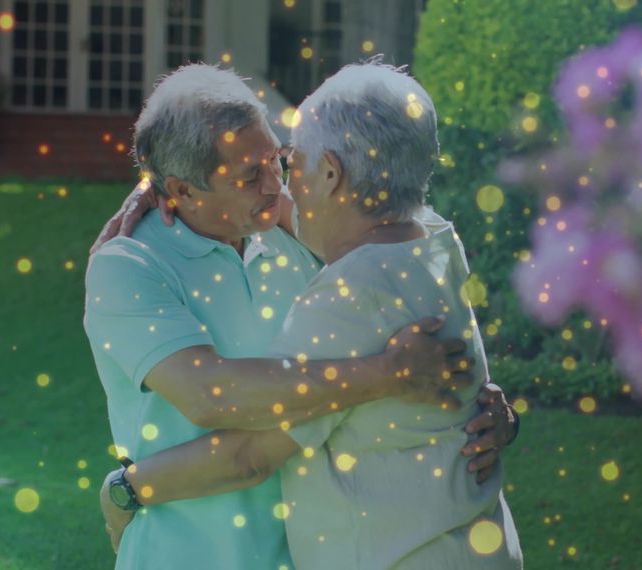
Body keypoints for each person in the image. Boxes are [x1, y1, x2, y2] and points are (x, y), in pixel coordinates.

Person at [84, 63, 518, 570]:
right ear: (181, 191)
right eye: (251, 176)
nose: (276, 184)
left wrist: (474, 406)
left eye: (279, 160)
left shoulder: (302, 237)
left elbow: (402, 244)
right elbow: (210, 395)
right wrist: (388, 375)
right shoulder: (129, 266)